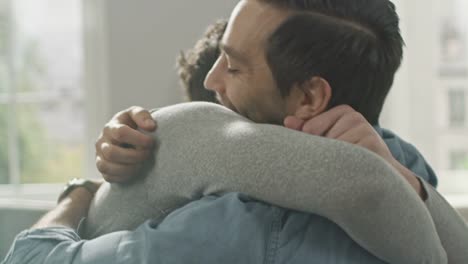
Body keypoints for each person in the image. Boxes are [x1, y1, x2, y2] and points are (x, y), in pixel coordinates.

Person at [2, 1, 468, 264]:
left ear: (309, 98)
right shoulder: (404, 164)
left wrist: (80, 195)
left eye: (236, 66)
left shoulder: (235, 230)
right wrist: (405, 180)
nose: (211, 82)